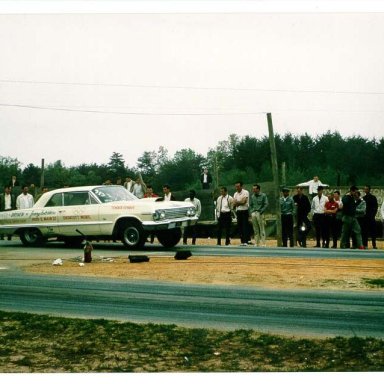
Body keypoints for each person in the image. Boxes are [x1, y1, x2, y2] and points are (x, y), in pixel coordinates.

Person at [233, 181, 250, 246]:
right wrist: (238, 202)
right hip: (238, 211)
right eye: (236, 186)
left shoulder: (246, 192)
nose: (237, 188)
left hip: (244, 211)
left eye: (238, 186)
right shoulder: (235, 194)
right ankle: (242, 241)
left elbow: (244, 202)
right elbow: (234, 203)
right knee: (240, 226)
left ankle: (246, 241)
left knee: (245, 226)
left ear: (241, 186)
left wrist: (237, 202)